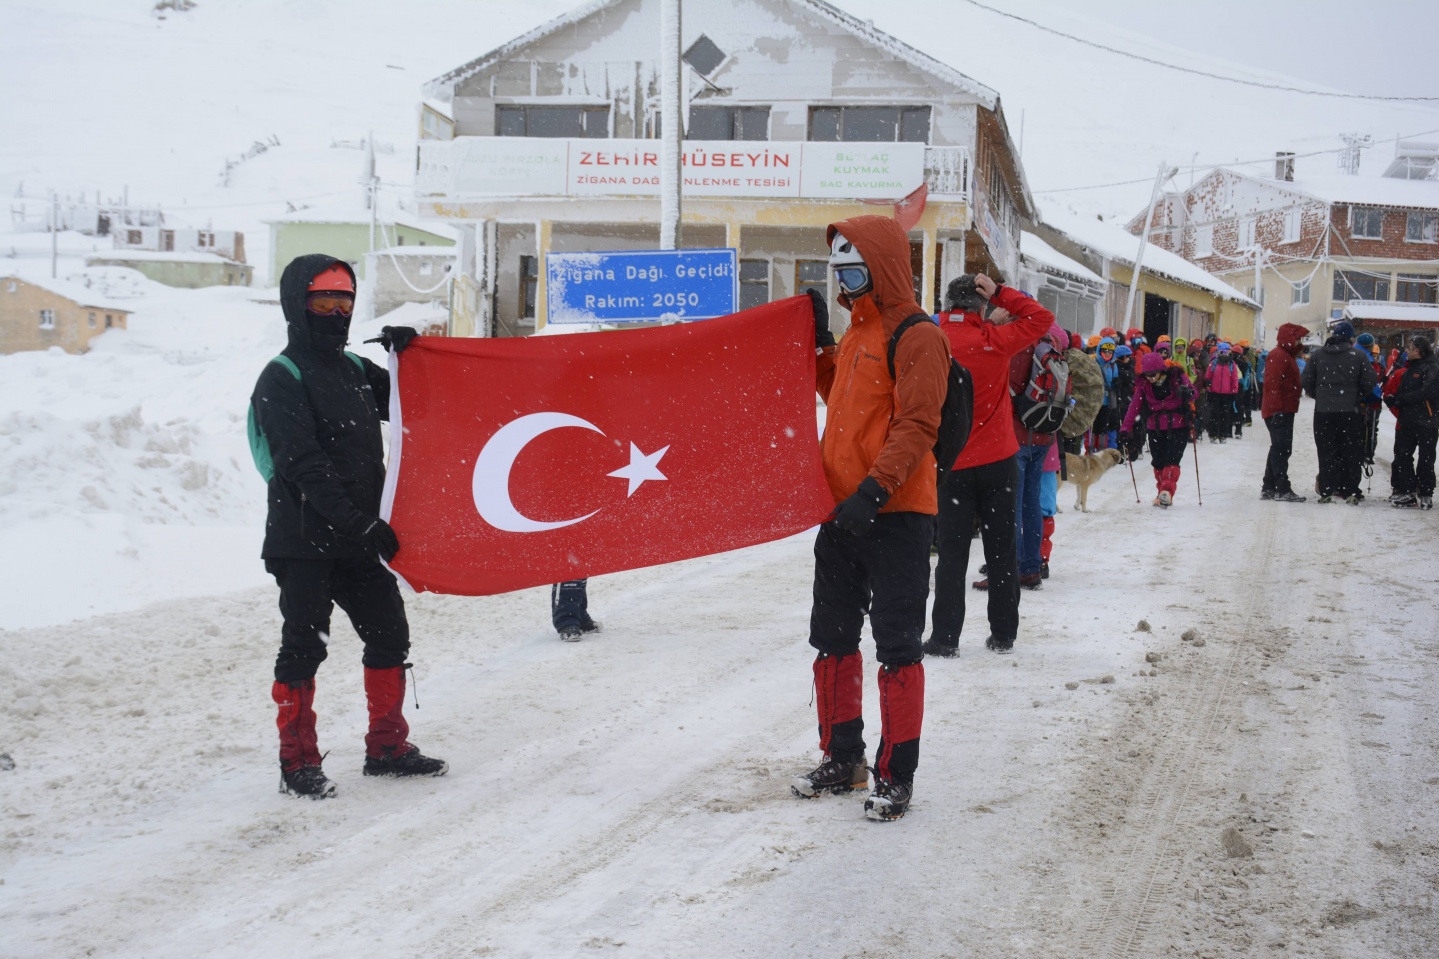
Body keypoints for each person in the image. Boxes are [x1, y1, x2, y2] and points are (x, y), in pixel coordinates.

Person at [249, 255, 446, 799]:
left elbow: (421, 403)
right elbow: (302, 464)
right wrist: (358, 522)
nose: (336, 312)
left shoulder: (356, 371)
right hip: (305, 542)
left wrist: (412, 357)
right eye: (323, 301)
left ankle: (386, 747)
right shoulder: (282, 377)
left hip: (361, 541)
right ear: (297, 305)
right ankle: (297, 763)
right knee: (303, 649)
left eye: (345, 301)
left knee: (389, 636)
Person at [792, 216, 950, 822]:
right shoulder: (860, 334)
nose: (847, 284)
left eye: (855, 271)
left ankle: (895, 774)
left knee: (898, 646)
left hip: (897, 515)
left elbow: (918, 425)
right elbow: (842, 399)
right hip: (841, 514)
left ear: (881, 269)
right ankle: (845, 758)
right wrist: (822, 346)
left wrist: (874, 491)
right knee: (831, 638)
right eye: (838, 273)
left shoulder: (918, 337)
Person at [926, 273, 1054, 658]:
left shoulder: (934, 341)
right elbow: (1041, 319)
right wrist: (1002, 295)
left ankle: (945, 638)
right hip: (999, 461)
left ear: (947, 306)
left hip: (953, 465)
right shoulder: (994, 341)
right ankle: (1003, 634)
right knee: (1002, 552)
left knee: (951, 555)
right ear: (982, 306)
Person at [1302, 320, 1379, 504]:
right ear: (1351, 338)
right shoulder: (1358, 356)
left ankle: (1328, 489)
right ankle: (1350, 489)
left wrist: (1319, 395)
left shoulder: (1318, 355)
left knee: (1326, 449)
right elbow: (1370, 381)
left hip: (1323, 411)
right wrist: (1359, 395)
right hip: (1350, 411)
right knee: (1351, 450)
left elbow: (1306, 380)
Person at [1120, 352, 1194, 507]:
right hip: (1155, 428)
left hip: (1179, 426)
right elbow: (1134, 407)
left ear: (1162, 370)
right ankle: (1162, 492)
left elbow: (1193, 393)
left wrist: (1188, 393)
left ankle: (1167, 491)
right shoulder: (1144, 385)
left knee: (1172, 460)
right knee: (1158, 462)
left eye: (1154, 374)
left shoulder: (1177, 377)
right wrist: (1125, 428)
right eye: (1148, 375)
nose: (1151, 378)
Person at [1386, 334, 1439, 509]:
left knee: (1426, 458)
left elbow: (1427, 391)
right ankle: (1408, 491)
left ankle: (1425, 493)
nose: (1406, 352)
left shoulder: (1432, 367)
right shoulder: (1411, 367)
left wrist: (1402, 400)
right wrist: (1395, 399)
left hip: (1426, 421)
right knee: (1402, 456)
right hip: (1407, 420)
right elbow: (1408, 390)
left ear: (1417, 350)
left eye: (1409, 348)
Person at [1260, 323, 1307, 503]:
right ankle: (1281, 487)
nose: (1299, 341)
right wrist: (1278, 410)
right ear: (1288, 338)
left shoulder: (1285, 355)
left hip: (1282, 409)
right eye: (1297, 338)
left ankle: (1269, 487)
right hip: (1279, 410)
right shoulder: (1279, 356)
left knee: (1279, 448)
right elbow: (1272, 384)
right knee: (1281, 449)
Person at [1203, 342, 1240, 443]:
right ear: (1218, 352)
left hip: (1227, 394)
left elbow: (1234, 379)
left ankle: (1223, 435)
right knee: (1214, 414)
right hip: (1214, 393)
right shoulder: (1214, 363)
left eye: (1226, 351)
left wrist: (1234, 391)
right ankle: (1213, 435)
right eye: (1222, 351)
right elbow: (1208, 376)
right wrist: (1208, 387)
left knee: (1225, 415)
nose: (1224, 354)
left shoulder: (1232, 364)